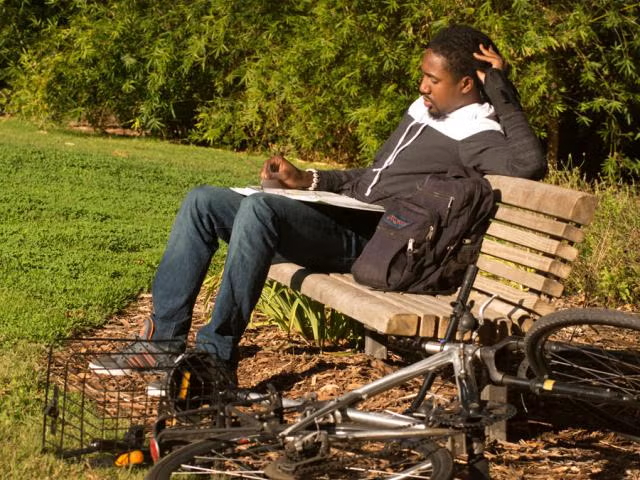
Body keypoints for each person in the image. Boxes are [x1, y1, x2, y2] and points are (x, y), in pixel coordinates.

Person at [90, 25, 545, 383]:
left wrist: (501, 86)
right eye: (423, 75)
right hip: (347, 218)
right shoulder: (426, 111)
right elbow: (370, 181)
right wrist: (306, 180)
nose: (423, 86)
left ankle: (215, 359)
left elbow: (528, 164)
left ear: (468, 83)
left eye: (433, 79)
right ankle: (163, 342)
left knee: (261, 210)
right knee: (203, 201)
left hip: (375, 242)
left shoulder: (478, 133)